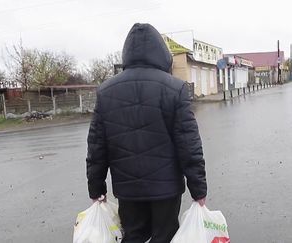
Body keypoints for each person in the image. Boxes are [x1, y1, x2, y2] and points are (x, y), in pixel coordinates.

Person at [86, 23, 207, 243]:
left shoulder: (106, 91)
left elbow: (96, 147)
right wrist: (198, 190)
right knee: (165, 236)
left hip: (128, 189)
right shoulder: (175, 88)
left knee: (133, 236)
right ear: (161, 52)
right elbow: (189, 145)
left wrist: (96, 187)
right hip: (166, 189)